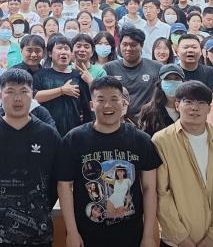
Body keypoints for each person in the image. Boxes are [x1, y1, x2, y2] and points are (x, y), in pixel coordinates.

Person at [56, 76, 161, 247]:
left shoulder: (141, 140)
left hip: (131, 235)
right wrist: (72, 232)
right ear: (92, 105)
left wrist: (148, 235)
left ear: (124, 103)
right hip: (87, 234)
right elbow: (64, 187)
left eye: (114, 99)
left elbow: (150, 188)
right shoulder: (74, 139)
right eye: (101, 100)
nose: (107, 105)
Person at [0, 69, 61, 247]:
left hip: (38, 232)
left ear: (32, 95)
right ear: (0, 96)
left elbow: (56, 182)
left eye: (23, 92)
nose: (17, 98)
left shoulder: (48, 135)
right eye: (10, 92)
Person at [153, 81, 213, 247]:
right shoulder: (161, 141)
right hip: (176, 242)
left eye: (201, 103)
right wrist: (181, 239)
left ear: (209, 108)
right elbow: (161, 193)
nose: (195, 108)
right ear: (177, 105)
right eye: (188, 102)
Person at [33, 35, 94, 136]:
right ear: (50, 53)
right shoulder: (40, 75)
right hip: (46, 130)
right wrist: (62, 90)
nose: (63, 52)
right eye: (59, 48)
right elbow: (34, 97)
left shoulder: (78, 76)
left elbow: (86, 107)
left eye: (66, 49)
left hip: (74, 131)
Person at [103, 27, 162, 120]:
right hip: (118, 121)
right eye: (125, 44)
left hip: (148, 121)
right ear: (119, 45)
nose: (128, 48)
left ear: (141, 45)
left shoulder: (156, 67)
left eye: (133, 45)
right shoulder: (109, 68)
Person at [175, 34, 213, 125]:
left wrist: (209, 128)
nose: (190, 50)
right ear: (177, 52)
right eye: (185, 47)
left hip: (203, 121)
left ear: (200, 52)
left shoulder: (209, 72)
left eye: (194, 47)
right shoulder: (172, 73)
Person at [135, 64, 186, 136]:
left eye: (176, 78)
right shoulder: (149, 111)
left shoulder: (189, 108)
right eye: (167, 79)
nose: (172, 82)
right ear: (160, 83)